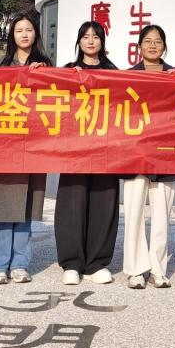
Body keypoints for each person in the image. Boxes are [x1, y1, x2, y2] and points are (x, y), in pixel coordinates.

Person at [0, 12, 51, 285]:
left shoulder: (46, 65)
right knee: (1, 204)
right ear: (12, 35)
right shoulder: (0, 64)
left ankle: (20, 263)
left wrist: (43, 75)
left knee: (26, 205)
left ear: (36, 34)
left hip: (32, 145)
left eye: (29, 30)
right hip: (3, 145)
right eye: (19, 30)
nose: (24, 34)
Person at [54, 21, 120, 285]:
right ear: (79, 41)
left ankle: (97, 262)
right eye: (86, 36)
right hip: (75, 150)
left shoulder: (114, 73)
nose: (91, 41)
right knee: (72, 202)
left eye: (96, 37)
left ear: (102, 41)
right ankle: (72, 262)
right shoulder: (69, 71)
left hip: (106, 149)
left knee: (104, 202)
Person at [122, 25, 175, 289]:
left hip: (166, 155)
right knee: (134, 213)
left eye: (158, 41)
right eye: (147, 41)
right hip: (134, 154)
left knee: (161, 215)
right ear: (139, 46)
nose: (153, 45)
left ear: (164, 46)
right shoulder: (127, 77)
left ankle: (158, 268)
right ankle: (136, 269)